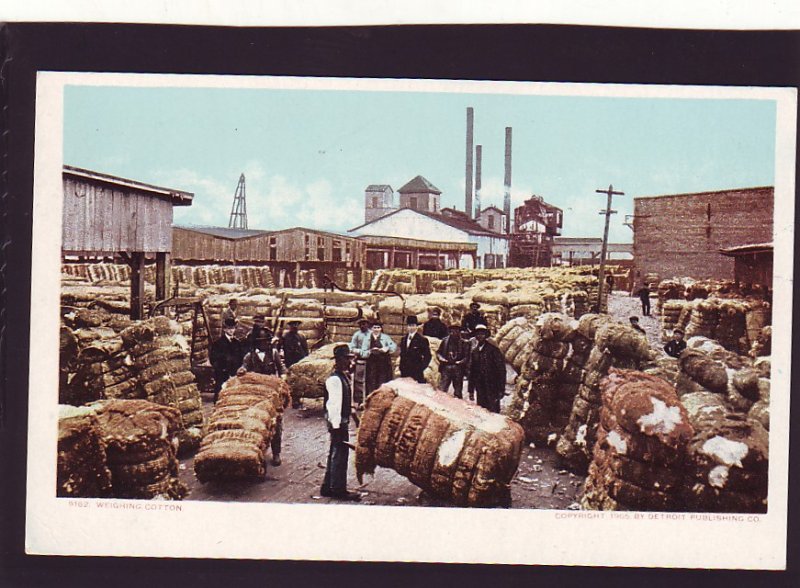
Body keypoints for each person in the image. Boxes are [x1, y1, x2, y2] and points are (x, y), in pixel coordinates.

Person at [238, 332, 286, 466]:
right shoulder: (249, 356)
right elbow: (243, 368)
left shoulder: (274, 353)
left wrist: (282, 380)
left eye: (266, 341)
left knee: (276, 422)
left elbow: (282, 369)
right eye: (262, 341)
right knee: (256, 424)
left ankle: (276, 453)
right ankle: (257, 453)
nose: (265, 343)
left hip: (272, 394)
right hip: (256, 395)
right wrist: (241, 370)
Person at [320, 345, 361, 501]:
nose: (349, 362)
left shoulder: (343, 377)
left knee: (335, 452)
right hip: (337, 422)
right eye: (346, 359)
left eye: (350, 359)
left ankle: (327, 486)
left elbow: (346, 402)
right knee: (340, 455)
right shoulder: (335, 380)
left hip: (341, 420)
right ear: (338, 360)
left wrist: (355, 417)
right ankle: (338, 489)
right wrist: (336, 427)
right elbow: (333, 406)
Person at [468, 324, 506, 413]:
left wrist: (501, 389)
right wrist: (471, 390)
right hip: (480, 386)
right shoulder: (475, 352)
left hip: (492, 386)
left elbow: (501, 370)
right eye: (478, 334)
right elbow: (472, 372)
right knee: (482, 411)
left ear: (485, 336)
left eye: (482, 334)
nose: (480, 336)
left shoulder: (493, 350)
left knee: (493, 410)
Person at [209, 317, 244, 403]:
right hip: (222, 374)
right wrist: (222, 370)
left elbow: (241, 358)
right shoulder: (218, 343)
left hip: (235, 374)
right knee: (220, 396)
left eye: (233, 328)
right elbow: (213, 359)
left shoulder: (237, 343)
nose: (231, 330)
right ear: (225, 329)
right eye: (229, 328)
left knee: (234, 397)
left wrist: (238, 370)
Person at [358, 321, 397, 396]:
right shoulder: (367, 339)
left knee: (383, 383)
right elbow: (363, 352)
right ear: (371, 329)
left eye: (378, 328)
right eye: (374, 328)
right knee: (371, 383)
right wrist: (369, 352)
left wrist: (385, 349)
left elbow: (393, 347)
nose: (376, 329)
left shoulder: (385, 337)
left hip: (384, 365)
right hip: (372, 365)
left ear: (381, 329)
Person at [437, 323, 472, 400]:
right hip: (446, 367)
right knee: (442, 389)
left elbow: (467, 357)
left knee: (458, 391)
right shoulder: (445, 341)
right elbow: (438, 352)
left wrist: (461, 362)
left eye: (456, 330)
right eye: (452, 330)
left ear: (459, 332)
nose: (454, 332)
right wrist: (442, 359)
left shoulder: (464, 343)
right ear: (449, 331)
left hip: (458, 368)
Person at [398, 316, 431, 383]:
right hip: (405, 371)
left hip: (416, 371)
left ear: (416, 326)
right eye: (409, 325)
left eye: (413, 325)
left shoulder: (422, 339)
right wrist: (401, 367)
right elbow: (402, 354)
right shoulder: (403, 339)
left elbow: (428, 356)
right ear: (407, 327)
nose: (411, 328)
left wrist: (421, 368)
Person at [349, 318, 371, 403]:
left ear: (367, 324)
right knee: (358, 381)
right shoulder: (356, 335)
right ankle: (359, 401)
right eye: (361, 324)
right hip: (360, 361)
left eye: (364, 324)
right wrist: (360, 352)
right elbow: (352, 348)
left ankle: (368, 400)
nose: (362, 326)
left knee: (370, 381)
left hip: (370, 361)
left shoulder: (372, 334)